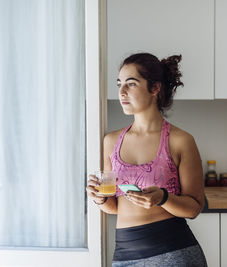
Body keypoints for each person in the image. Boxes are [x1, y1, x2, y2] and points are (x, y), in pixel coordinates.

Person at [86, 53, 207, 267]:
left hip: (173, 254)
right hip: (124, 257)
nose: (121, 92)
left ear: (155, 88)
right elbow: (116, 206)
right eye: (119, 84)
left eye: (131, 84)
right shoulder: (111, 141)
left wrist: (163, 198)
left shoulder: (181, 141)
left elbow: (194, 208)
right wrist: (99, 197)